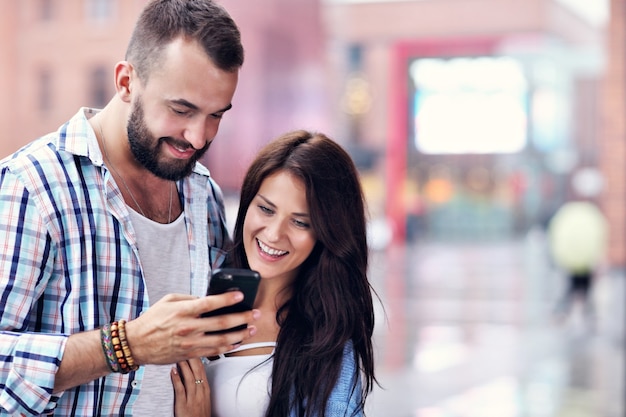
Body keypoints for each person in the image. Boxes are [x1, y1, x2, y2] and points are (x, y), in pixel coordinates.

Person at [0, 1, 260, 416]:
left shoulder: (201, 194)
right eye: (181, 110)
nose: (198, 137)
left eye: (216, 115)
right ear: (125, 82)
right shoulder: (33, 186)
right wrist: (129, 344)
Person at [171, 130, 378, 417]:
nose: (274, 233)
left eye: (300, 223)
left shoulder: (328, 341)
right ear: (247, 204)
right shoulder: (197, 286)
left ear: (326, 233)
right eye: (266, 209)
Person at [547, 200, 609, 325]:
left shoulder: (566, 215)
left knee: (571, 288)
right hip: (586, 261)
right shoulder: (592, 216)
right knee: (585, 288)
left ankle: (563, 312)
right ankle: (588, 314)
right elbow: (600, 236)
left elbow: (555, 234)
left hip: (571, 260)